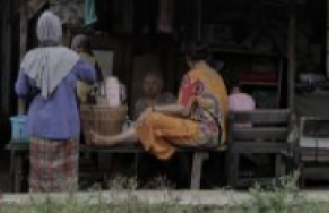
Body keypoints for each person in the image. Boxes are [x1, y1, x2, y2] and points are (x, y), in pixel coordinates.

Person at [87, 46, 228, 162]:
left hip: (203, 134)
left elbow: (183, 109)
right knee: (151, 123)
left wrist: (153, 108)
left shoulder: (192, 76)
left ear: (188, 60)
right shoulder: (217, 77)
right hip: (219, 137)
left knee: (150, 119)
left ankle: (111, 140)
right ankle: (112, 139)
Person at [15, 12, 97, 193]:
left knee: (40, 182)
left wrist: (37, 87)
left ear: (39, 32)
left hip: (39, 129)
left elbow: (20, 90)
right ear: (58, 32)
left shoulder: (29, 58)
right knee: (65, 183)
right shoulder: (70, 57)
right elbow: (92, 76)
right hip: (65, 127)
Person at [71, 33, 103, 104]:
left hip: (75, 102)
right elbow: (99, 84)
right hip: (86, 103)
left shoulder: (71, 60)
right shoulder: (93, 61)